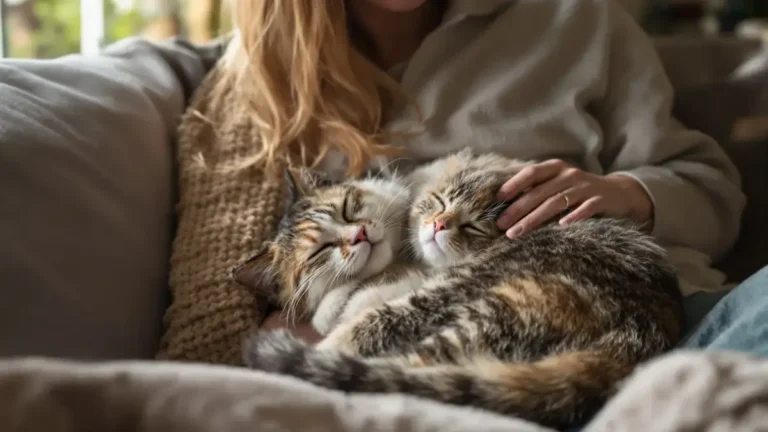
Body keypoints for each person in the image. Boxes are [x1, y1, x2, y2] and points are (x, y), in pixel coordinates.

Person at [243, 0, 746, 342]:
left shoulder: (576, 19)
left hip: (671, 315)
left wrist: (624, 193)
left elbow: (713, 192)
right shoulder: (266, 73)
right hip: (448, 343)